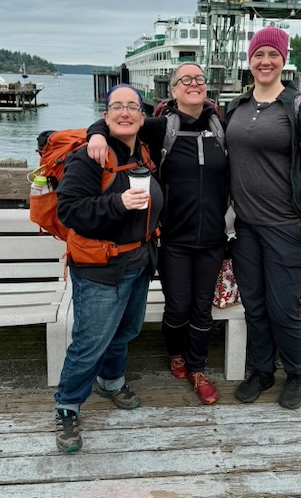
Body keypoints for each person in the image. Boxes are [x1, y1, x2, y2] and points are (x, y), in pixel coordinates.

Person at [88, 63, 228, 405]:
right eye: (185, 80)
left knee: (202, 310)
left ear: (205, 88)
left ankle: (197, 368)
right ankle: (174, 353)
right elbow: (119, 122)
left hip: (213, 238)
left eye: (199, 79)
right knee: (178, 308)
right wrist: (95, 134)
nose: (193, 83)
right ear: (174, 90)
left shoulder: (222, 127)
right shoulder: (162, 126)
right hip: (173, 240)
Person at [225, 26, 301, 410]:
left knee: (283, 307)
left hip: (288, 228)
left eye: (273, 54)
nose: (265, 62)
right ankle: (261, 371)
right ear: (249, 59)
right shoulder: (236, 106)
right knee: (254, 305)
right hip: (245, 229)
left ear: (283, 60)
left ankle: (296, 373)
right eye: (259, 54)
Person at [54, 84, 163, 453]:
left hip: (139, 261)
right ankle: (67, 405)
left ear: (143, 117)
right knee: (90, 341)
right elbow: (69, 212)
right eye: (116, 107)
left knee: (127, 330)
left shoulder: (144, 150)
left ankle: (111, 381)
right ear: (105, 116)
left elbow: (194, 111)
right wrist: (117, 204)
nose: (125, 112)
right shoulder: (89, 158)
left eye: (133, 106)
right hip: (101, 267)